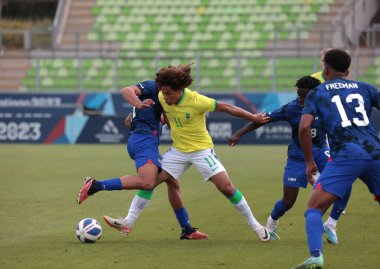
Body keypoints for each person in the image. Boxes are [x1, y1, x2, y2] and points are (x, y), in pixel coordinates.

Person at [149, 63, 272, 241]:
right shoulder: (163, 96)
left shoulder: (198, 100)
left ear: (179, 89)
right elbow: (167, 111)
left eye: (168, 92)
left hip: (201, 151)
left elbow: (228, 107)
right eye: (163, 91)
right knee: (148, 182)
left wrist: (254, 117)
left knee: (227, 188)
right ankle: (128, 221)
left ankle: (255, 225)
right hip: (178, 151)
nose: (164, 95)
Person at [77, 80, 208, 240]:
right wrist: (140, 107)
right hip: (144, 141)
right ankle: (95, 185)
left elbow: (128, 121)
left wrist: (152, 114)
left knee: (172, 181)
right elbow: (127, 90)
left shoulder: (159, 95)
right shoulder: (153, 87)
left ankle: (187, 230)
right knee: (148, 182)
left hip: (143, 140)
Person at [228, 76, 350, 244]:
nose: (300, 100)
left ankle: (331, 223)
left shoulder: (328, 106)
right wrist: (239, 133)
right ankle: (271, 224)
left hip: (321, 153)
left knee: (344, 183)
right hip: (297, 157)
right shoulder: (292, 108)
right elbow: (263, 120)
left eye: (303, 96)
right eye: (298, 95)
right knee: (288, 200)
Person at [293, 49, 380, 268]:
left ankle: (316, 256)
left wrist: (309, 161)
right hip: (374, 153)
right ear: (348, 70)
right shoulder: (366, 88)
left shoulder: (318, 92)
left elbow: (304, 127)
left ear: (325, 68)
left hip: (345, 156)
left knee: (313, 208)